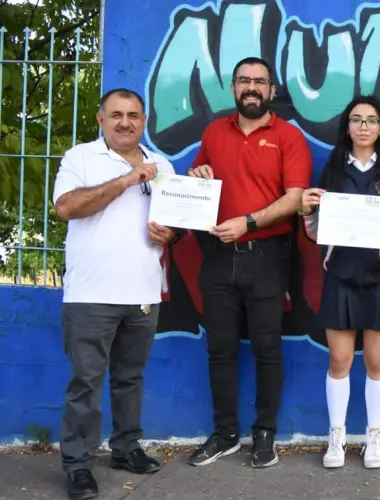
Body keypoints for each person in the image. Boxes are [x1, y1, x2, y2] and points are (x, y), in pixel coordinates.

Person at [185, 56, 313, 468]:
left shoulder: (289, 137)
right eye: (244, 80)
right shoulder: (213, 132)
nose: (252, 87)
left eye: (260, 81)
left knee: (266, 349)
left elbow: (296, 198)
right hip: (218, 256)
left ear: (272, 91)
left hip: (268, 257)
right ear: (233, 88)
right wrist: (197, 174)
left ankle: (264, 433)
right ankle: (224, 434)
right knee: (220, 350)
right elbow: (198, 179)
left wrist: (249, 222)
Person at [52, 88, 179, 500]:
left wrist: (170, 232)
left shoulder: (163, 165)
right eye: (117, 115)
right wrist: (127, 179)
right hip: (90, 294)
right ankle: (78, 464)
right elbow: (67, 208)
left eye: (134, 115)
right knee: (86, 383)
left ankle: (126, 448)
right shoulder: (80, 158)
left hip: (143, 292)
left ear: (145, 121)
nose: (126, 122)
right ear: (100, 119)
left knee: (130, 379)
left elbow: (174, 224)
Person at [299, 95, 380, 470]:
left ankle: (373, 436)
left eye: (371, 120)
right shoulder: (332, 171)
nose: (364, 126)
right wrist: (307, 212)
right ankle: (336, 435)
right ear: (347, 127)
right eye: (356, 119)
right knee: (338, 360)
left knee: (375, 359)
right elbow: (318, 230)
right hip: (341, 276)